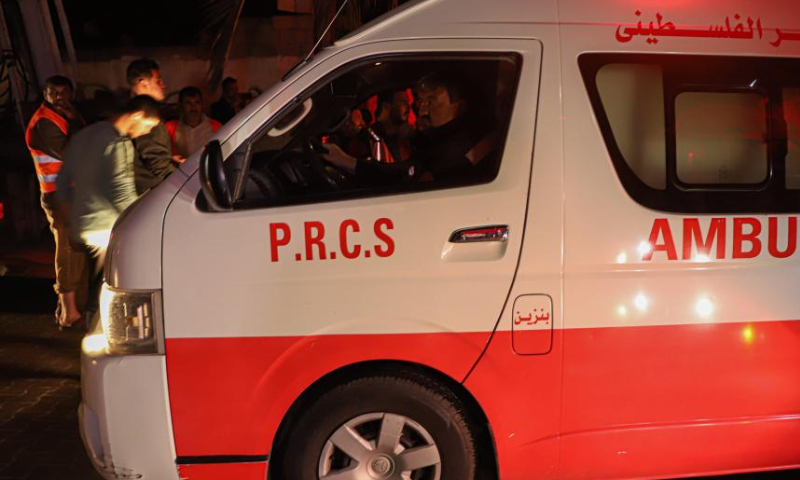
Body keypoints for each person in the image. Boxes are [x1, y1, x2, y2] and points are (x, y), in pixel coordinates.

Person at [56, 95, 162, 325]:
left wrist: (68, 219)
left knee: (95, 285)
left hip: (81, 226)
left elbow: (62, 181)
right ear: (137, 115)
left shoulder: (84, 136)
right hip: (105, 229)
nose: (146, 133)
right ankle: (97, 337)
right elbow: (121, 192)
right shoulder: (118, 143)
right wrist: (143, 221)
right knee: (104, 292)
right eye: (148, 126)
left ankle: (91, 327)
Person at [322, 72, 496, 185]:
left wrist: (347, 162)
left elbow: (405, 174)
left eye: (432, 101)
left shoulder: (458, 150)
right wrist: (346, 161)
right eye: (422, 102)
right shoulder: (438, 143)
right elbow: (401, 171)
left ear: (460, 106)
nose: (422, 110)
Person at [25, 75, 87, 329]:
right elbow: (72, 151)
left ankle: (72, 310)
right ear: (45, 94)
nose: (59, 97)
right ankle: (68, 312)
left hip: (70, 193)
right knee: (68, 249)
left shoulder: (65, 116)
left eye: (64, 92)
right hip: (58, 195)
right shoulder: (45, 122)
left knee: (76, 249)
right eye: (53, 93)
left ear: (72, 93)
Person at [126, 58, 176, 194]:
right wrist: (181, 184)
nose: (163, 85)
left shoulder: (130, 110)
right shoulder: (144, 116)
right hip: (152, 194)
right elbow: (156, 161)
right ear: (143, 84)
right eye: (158, 80)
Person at [165, 87, 221, 161]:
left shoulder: (216, 127)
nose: (193, 107)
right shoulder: (170, 128)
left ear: (202, 104)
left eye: (197, 102)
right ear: (180, 105)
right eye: (188, 103)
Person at [372, 89, 414, 162]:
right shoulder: (369, 137)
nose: (408, 106)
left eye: (407, 102)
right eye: (402, 102)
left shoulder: (409, 137)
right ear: (386, 106)